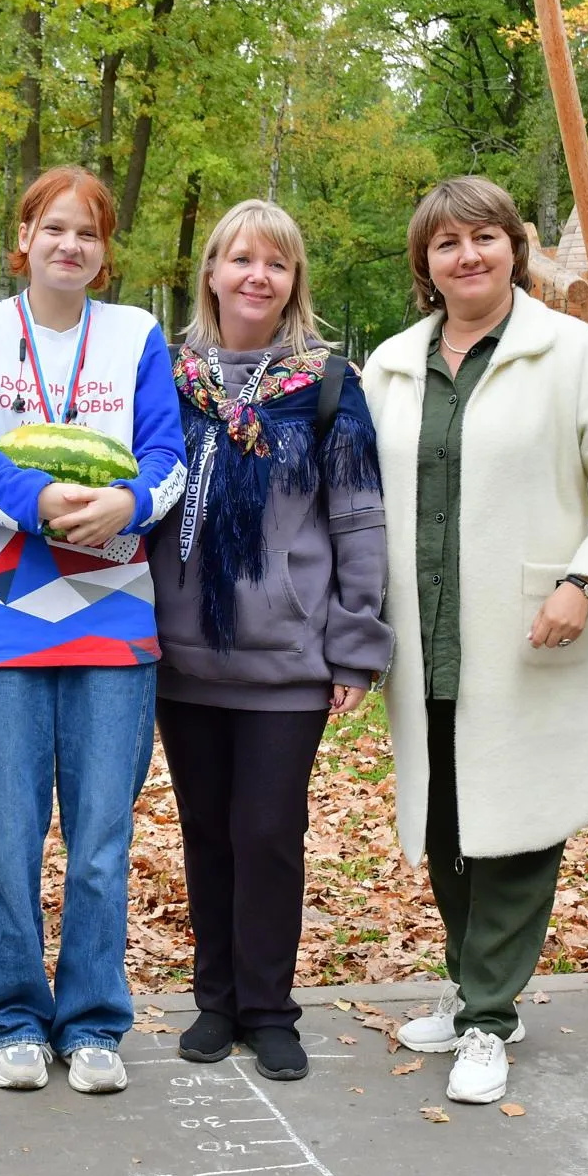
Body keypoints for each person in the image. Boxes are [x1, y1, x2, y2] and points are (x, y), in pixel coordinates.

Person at [361, 176, 588, 1107]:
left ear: (514, 247)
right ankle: (477, 992)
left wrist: (585, 579)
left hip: (534, 627)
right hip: (426, 636)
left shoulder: (570, 353)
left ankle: (489, 1015)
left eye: (484, 238)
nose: (468, 256)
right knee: (448, 820)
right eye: (447, 244)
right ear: (425, 264)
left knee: (521, 825)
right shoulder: (391, 367)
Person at [0, 165, 185, 1095]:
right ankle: (13, 1014)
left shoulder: (138, 334)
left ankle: (94, 1019)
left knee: (103, 836)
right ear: (24, 239)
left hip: (113, 617)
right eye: (54, 228)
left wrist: (125, 501)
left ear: (106, 253)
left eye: (89, 232)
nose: (70, 245)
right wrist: (35, 497)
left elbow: (167, 456)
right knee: (6, 832)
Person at [147, 200, 392, 1080]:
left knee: (267, 831)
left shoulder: (327, 384)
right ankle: (216, 1001)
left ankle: (269, 1006)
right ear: (210, 272)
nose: (258, 276)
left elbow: (359, 515)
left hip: (289, 660)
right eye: (241, 259)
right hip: (181, 655)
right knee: (205, 831)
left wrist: (357, 641)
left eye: (276, 264)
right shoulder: (166, 378)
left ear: (294, 283)